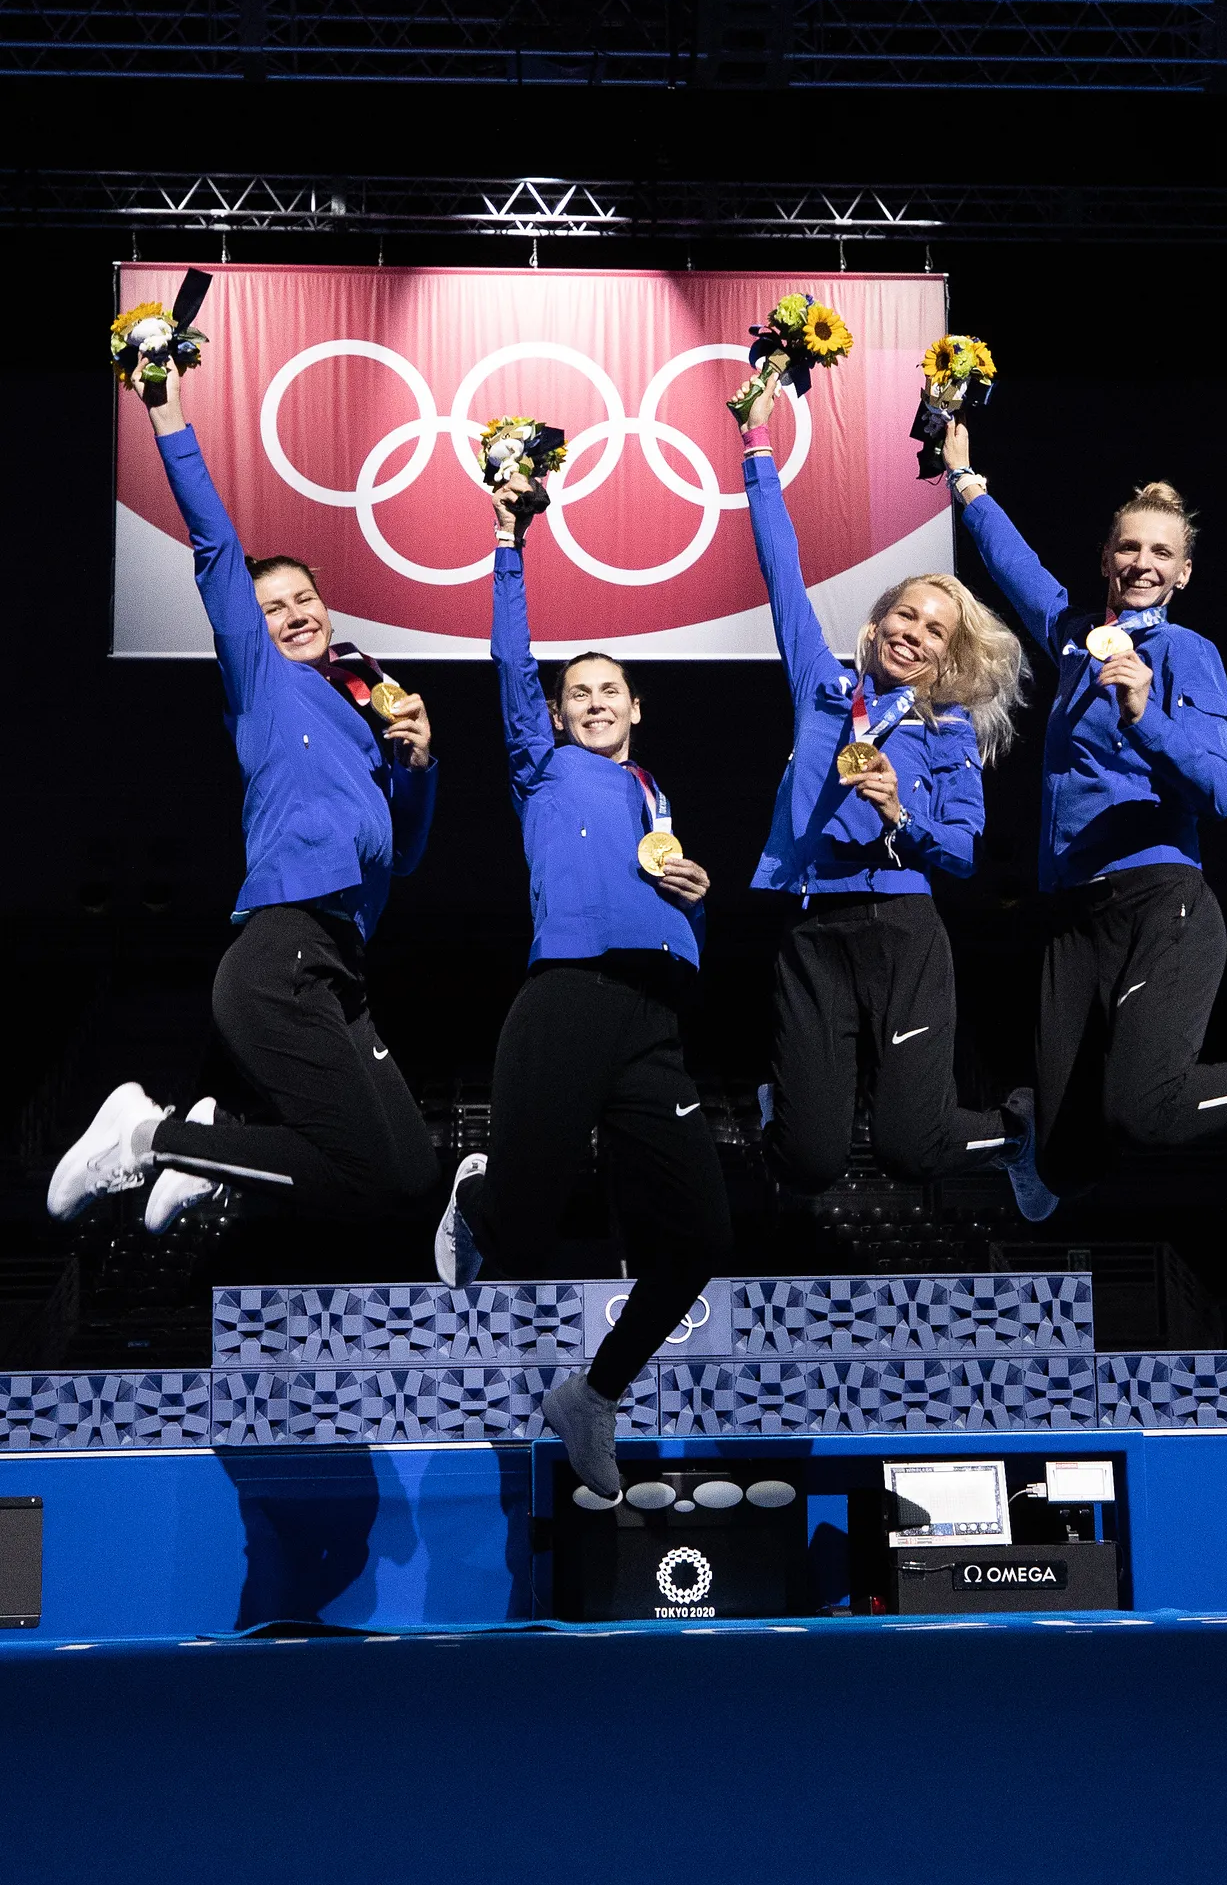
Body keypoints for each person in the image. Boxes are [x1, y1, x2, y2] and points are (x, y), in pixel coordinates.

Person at [943, 415, 1227, 1194]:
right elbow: (1013, 566)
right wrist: (964, 480)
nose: (1142, 563)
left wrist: (1144, 715)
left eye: (1162, 552)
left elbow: (1221, 793)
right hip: (1073, 920)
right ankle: (1029, 1136)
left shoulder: (1187, 654)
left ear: (1184, 573)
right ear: (1105, 559)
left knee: (1145, 1110)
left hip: (1161, 903)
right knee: (1065, 1167)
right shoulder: (1072, 637)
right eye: (1129, 547)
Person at [47, 362, 440, 1234]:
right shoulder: (262, 684)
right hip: (280, 948)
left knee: (408, 1178)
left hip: (342, 963)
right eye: (273, 607)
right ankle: (150, 1134)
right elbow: (218, 548)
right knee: (363, 1169)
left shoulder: (360, 707)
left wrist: (416, 765)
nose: (296, 613)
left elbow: (401, 856)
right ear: (249, 629)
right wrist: (167, 413)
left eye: (306, 598)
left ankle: (210, 1142)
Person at [432, 474, 731, 1504]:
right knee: (518, 1228)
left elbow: (666, 906)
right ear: (557, 717)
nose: (594, 701)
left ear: (636, 707)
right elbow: (509, 663)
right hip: (563, 999)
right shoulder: (543, 770)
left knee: (701, 1240)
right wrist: (508, 543)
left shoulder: (655, 794)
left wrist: (694, 896)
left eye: (610, 689)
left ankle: (593, 1395)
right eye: (577, 693)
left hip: (652, 1022)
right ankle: (475, 1190)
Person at [734, 370, 1055, 1220]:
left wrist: (895, 813)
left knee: (916, 1153)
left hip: (907, 934)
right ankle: (788, 1112)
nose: (914, 635)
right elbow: (780, 569)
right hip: (815, 930)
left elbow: (960, 853)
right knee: (806, 1161)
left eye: (934, 632)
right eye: (904, 618)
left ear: (946, 659)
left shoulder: (947, 734)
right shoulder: (821, 685)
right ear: (875, 626)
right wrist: (756, 447)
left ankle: (1018, 1129)